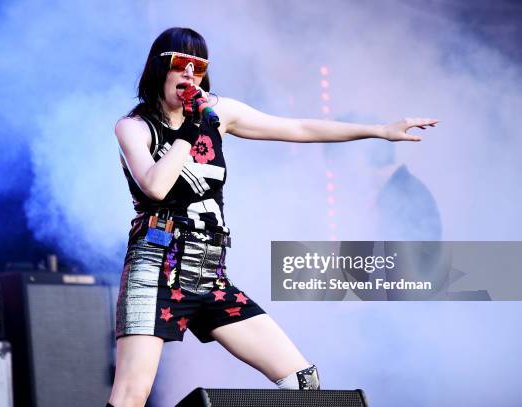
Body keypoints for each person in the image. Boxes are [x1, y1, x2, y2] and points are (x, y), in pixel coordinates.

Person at [108, 27, 438, 407]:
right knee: (131, 395)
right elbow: (156, 186)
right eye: (181, 64)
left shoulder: (220, 112)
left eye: (199, 68)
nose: (189, 75)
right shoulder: (133, 127)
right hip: (156, 270)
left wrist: (378, 131)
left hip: (210, 272)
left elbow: (296, 127)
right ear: (160, 67)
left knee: (303, 382)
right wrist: (191, 127)